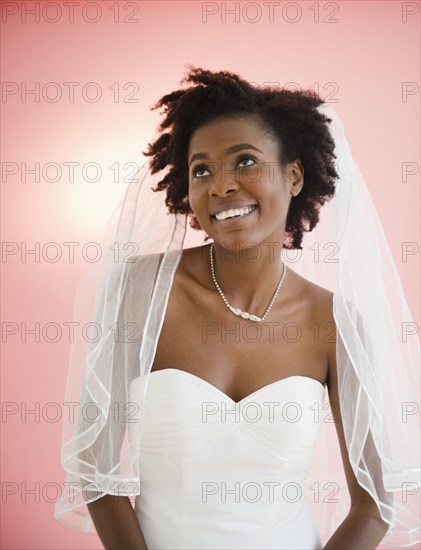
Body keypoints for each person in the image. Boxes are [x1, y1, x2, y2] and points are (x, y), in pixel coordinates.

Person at [54, 67, 420, 549]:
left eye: (245, 161)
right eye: (201, 170)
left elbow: (375, 504)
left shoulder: (333, 323)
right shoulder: (141, 291)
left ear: (293, 176)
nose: (221, 186)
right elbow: (96, 471)